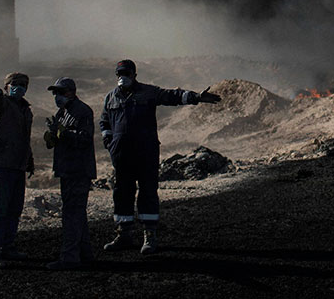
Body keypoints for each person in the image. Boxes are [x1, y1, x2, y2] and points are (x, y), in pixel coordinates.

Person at [99, 59, 220, 254]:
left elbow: (171, 96)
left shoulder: (147, 92)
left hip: (146, 153)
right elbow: (104, 121)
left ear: (134, 75)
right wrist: (109, 142)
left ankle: (150, 235)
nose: (123, 78)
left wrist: (196, 97)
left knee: (147, 192)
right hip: (122, 155)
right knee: (122, 193)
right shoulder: (111, 98)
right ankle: (124, 234)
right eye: (119, 74)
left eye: (126, 73)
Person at [43, 77, 97, 271]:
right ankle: (85, 254)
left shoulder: (82, 111)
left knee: (71, 214)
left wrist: (63, 133)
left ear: (71, 92)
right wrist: (53, 136)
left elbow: (84, 139)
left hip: (78, 170)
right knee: (76, 213)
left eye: (61, 92)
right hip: (67, 170)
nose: (57, 96)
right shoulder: (62, 113)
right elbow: (59, 139)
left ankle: (69, 258)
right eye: (55, 93)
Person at [0, 72, 34, 269]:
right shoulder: (3, 104)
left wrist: (29, 160)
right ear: (6, 87)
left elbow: (24, 137)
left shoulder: (25, 110)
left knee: (14, 209)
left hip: (18, 165)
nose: (19, 87)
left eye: (23, 85)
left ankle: (7, 246)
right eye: (15, 84)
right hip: (1, 164)